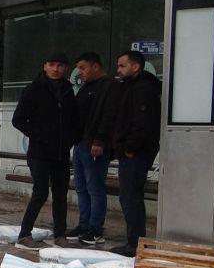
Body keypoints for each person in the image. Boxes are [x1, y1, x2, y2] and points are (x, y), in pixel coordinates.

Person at [12, 52, 78, 251]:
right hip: (40, 151)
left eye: (59, 65)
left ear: (65, 68)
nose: (55, 69)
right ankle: (24, 234)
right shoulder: (33, 89)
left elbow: (73, 118)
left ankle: (60, 234)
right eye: (51, 64)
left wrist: (70, 138)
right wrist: (39, 135)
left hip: (61, 151)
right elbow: (18, 119)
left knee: (60, 194)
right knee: (40, 192)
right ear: (45, 66)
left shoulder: (68, 89)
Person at [106, 50, 161, 257]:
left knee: (131, 197)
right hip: (130, 151)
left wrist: (129, 148)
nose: (118, 70)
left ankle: (135, 243)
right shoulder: (130, 87)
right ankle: (133, 241)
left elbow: (142, 122)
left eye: (122, 66)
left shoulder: (143, 89)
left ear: (135, 66)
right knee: (129, 197)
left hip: (136, 153)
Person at [67, 52, 117, 245]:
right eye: (79, 68)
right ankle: (84, 224)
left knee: (95, 187)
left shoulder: (110, 86)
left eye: (83, 68)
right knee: (81, 187)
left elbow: (108, 115)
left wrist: (100, 141)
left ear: (96, 66)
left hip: (94, 145)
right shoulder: (85, 88)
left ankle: (96, 228)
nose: (80, 72)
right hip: (80, 144)